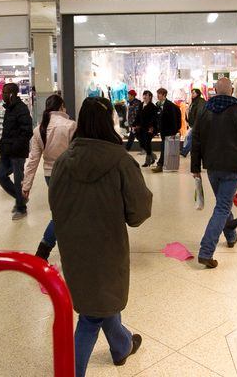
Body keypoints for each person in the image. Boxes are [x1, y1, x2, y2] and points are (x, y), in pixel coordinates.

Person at [48, 97, 152, 377]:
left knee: (100, 303)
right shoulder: (121, 161)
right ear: (109, 122)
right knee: (93, 316)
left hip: (74, 250)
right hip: (108, 250)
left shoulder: (62, 163)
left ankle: (122, 347)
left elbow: (55, 207)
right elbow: (138, 213)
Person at [191, 78, 237, 269]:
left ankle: (231, 236)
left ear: (215, 90)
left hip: (212, 167)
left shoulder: (205, 110)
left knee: (223, 203)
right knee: (223, 206)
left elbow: (196, 139)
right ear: (232, 90)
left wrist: (195, 167)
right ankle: (206, 251)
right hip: (233, 166)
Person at [21, 94, 76, 261]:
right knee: (62, 215)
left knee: (63, 213)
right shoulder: (71, 126)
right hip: (69, 175)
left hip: (50, 176)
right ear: (61, 107)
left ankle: (63, 248)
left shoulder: (39, 129)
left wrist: (26, 185)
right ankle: (43, 250)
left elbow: (33, 160)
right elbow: (77, 154)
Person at [0, 83, 33, 220]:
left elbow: (27, 130)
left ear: (11, 94)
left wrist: (16, 146)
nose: (2, 95)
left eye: (4, 92)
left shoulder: (21, 109)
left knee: (19, 181)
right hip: (6, 150)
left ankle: (21, 208)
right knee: (1, 176)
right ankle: (21, 199)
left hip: (17, 152)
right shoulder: (9, 109)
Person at [151, 88, 181, 173]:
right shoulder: (158, 105)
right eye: (157, 94)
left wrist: (175, 131)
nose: (158, 96)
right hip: (163, 131)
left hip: (169, 131)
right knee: (164, 148)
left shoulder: (170, 105)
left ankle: (160, 165)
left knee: (164, 148)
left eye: (159, 94)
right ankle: (163, 164)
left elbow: (174, 119)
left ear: (164, 95)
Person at [133, 90, 157, 167]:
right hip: (141, 128)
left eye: (146, 95)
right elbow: (138, 116)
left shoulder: (153, 107)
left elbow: (154, 118)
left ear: (150, 97)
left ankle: (148, 162)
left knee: (147, 144)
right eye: (144, 95)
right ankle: (152, 156)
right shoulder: (141, 105)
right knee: (142, 144)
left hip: (149, 128)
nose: (144, 96)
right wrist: (134, 124)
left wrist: (151, 127)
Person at [181, 88, 205, 157]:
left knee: (190, 137)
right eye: (192, 93)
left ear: (197, 94)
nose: (192, 94)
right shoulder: (194, 101)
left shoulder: (200, 101)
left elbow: (199, 113)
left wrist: (196, 122)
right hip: (194, 123)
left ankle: (184, 152)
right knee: (189, 137)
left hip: (197, 123)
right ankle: (191, 151)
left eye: (193, 93)